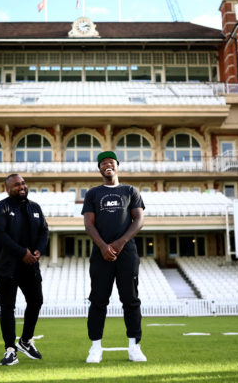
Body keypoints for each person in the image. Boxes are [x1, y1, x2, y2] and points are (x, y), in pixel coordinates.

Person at [82, 151, 147, 363]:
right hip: (101, 253)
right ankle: (95, 347)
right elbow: (89, 223)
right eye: (103, 163)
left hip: (126, 253)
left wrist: (119, 244)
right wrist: (103, 246)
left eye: (111, 162)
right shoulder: (93, 193)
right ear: (99, 169)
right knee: (98, 300)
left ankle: (134, 346)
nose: (107, 165)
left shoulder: (130, 191)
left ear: (117, 165)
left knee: (130, 299)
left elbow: (138, 220)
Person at [0, 174, 49, 366]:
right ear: (7, 188)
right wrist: (22, 252)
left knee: (36, 301)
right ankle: (10, 350)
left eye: (23, 183)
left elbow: (44, 231)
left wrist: (38, 249)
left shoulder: (35, 207)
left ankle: (25, 340)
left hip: (30, 264)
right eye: (16, 185)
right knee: (8, 307)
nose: (21, 187)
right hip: (6, 266)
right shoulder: (2, 207)